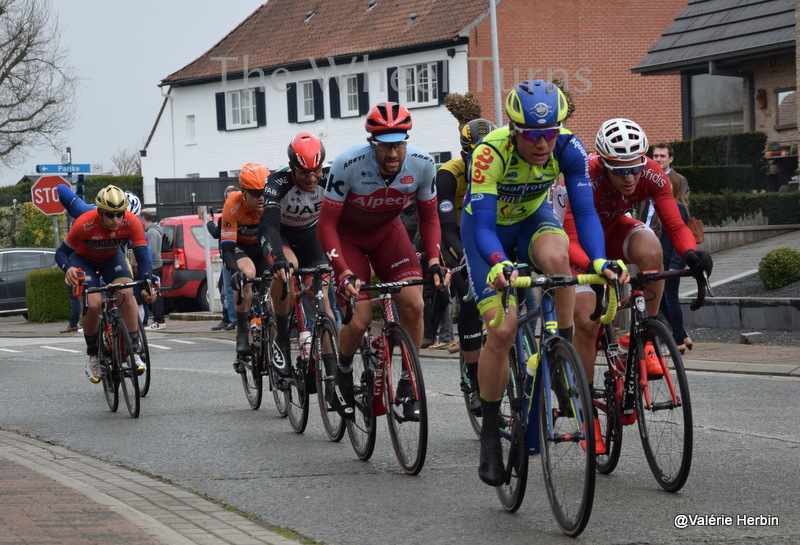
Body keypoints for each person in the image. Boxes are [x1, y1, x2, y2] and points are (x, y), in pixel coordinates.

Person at [460, 80, 619, 486]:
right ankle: (492, 430)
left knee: (558, 259)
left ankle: (560, 352)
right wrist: (498, 263)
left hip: (532, 219)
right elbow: (482, 227)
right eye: (533, 135)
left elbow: (584, 213)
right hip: (489, 234)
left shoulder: (569, 147)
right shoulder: (489, 152)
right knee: (503, 331)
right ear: (515, 130)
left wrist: (599, 260)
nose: (543, 144)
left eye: (550, 133)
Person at [317, 101, 449, 419]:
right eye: (385, 147)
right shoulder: (347, 164)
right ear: (372, 143)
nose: (392, 155)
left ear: (407, 141)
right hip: (348, 240)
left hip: (389, 236)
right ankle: (343, 369)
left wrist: (433, 260)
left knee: (415, 304)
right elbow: (326, 225)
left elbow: (431, 218)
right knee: (360, 319)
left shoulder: (422, 164)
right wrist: (343, 271)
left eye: (399, 145)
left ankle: (407, 381)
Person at [563, 118, 712, 391]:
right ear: (604, 165)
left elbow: (675, 224)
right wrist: (593, 264)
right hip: (579, 245)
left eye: (635, 168)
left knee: (652, 249)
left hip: (615, 229)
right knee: (586, 324)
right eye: (620, 171)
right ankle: (584, 407)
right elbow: (571, 237)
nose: (630, 177)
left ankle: (644, 334)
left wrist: (692, 253)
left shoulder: (652, 173)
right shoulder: (585, 175)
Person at [55, 185, 156, 383]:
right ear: (100, 212)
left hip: (112, 259)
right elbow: (61, 253)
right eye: (110, 215)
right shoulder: (85, 222)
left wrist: (148, 282)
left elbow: (143, 255)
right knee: (93, 304)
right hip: (83, 261)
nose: (116, 220)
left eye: (120, 214)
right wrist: (68, 268)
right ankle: (92, 355)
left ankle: (132, 350)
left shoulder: (132, 222)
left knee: (126, 294)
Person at [259, 132, 336, 379]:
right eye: (305, 172)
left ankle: (333, 367)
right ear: (293, 168)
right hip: (280, 234)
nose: (312, 177)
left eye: (317, 170)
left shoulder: (330, 178)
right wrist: (278, 258)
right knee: (287, 269)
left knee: (322, 293)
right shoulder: (276, 181)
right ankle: (282, 338)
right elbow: (270, 223)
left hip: (309, 234)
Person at [437, 117, 497, 413]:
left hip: (491, 236)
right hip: (458, 240)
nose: (483, 161)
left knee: (523, 289)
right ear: (464, 155)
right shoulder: (450, 174)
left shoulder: (502, 167)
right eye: (476, 156)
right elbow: (446, 228)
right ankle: (473, 381)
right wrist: (462, 257)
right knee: (470, 299)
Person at [220, 163, 270, 363]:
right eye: (255, 193)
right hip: (239, 248)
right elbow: (228, 249)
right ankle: (242, 331)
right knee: (246, 275)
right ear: (243, 192)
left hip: (262, 247)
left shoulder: (270, 203)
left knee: (276, 278)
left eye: (264, 192)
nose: (261, 198)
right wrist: (234, 271)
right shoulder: (233, 204)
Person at [659, 173, 693, 353]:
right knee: (664, 300)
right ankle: (683, 335)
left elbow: (677, 238)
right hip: (667, 262)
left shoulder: (677, 207)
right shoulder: (671, 206)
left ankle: (678, 340)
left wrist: (673, 265)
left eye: (667, 184)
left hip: (673, 262)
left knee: (670, 300)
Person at [637, 142, 690, 237]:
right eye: (655, 156)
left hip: (663, 234)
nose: (658, 159)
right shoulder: (647, 177)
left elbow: (683, 206)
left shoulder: (679, 180)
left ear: (671, 159)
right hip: (644, 231)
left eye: (662, 156)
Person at [208, 185, 238, 331]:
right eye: (229, 198)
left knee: (229, 289)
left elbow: (215, 233)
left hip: (234, 257)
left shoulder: (229, 215)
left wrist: (209, 223)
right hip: (228, 256)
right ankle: (228, 318)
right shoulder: (225, 216)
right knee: (223, 287)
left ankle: (232, 319)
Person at [140, 209, 165, 330]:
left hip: (154, 266)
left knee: (155, 294)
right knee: (154, 293)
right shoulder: (154, 231)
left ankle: (159, 321)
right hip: (155, 265)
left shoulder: (151, 232)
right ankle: (158, 320)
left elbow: (152, 251)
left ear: (143, 219)